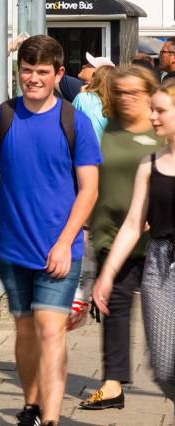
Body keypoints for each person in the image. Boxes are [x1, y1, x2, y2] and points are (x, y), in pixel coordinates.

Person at [0, 35, 101, 426]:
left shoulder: (75, 122)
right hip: (13, 248)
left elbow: (89, 190)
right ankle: (32, 406)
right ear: (18, 71)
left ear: (59, 74)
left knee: (49, 331)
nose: (34, 79)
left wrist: (63, 243)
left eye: (43, 71)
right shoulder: (1, 116)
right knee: (24, 332)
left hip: (60, 248)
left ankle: (52, 419)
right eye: (27, 71)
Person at [79, 65, 159, 411]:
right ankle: (112, 384)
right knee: (113, 308)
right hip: (112, 236)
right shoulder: (108, 128)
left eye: (134, 93)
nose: (126, 99)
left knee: (161, 317)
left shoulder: (164, 131)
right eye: (120, 92)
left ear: (149, 95)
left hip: (157, 240)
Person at [94, 79, 175, 420]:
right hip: (159, 263)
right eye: (152, 109)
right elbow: (131, 224)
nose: (153, 117)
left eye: (160, 111)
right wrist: (107, 275)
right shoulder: (150, 163)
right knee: (164, 366)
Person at [73, 64, 115, 144]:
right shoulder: (118, 102)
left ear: (96, 79)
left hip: (88, 151)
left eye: (94, 75)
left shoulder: (82, 98)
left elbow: (69, 125)